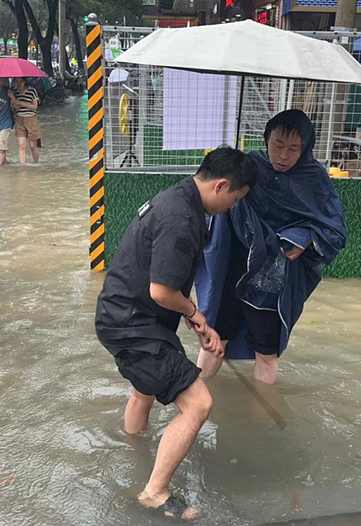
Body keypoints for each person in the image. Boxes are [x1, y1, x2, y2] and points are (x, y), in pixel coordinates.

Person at [95, 147, 257, 520]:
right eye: (236, 199)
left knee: (145, 388)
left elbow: (163, 285)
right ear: (221, 186)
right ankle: (154, 492)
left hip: (122, 315)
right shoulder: (183, 216)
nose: (233, 207)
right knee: (199, 404)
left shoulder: (178, 196)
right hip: (134, 324)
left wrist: (192, 318)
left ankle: (134, 449)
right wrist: (195, 313)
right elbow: (162, 292)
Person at [195, 110, 346, 385]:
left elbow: (334, 229)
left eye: (293, 148)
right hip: (234, 265)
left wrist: (307, 240)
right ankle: (195, 398)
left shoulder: (315, 178)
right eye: (277, 146)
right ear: (265, 140)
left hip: (273, 279)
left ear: (306, 147)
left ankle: (260, 421)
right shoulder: (250, 166)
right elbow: (214, 196)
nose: (284, 156)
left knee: (266, 350)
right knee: (214, 335)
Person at [10, 77, 41, 165]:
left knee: (32, 146)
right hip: (20, 119)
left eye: (21, 81)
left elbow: (35, 107)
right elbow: (16, 108)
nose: (19, 84)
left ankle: (36, 163)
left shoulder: (32, 91)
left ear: (24, 82)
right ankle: (22, 166)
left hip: (31, 119)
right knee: (21, 145)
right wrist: (13, 99)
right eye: (17, 82)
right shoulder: (15, 92)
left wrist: (20, 102)